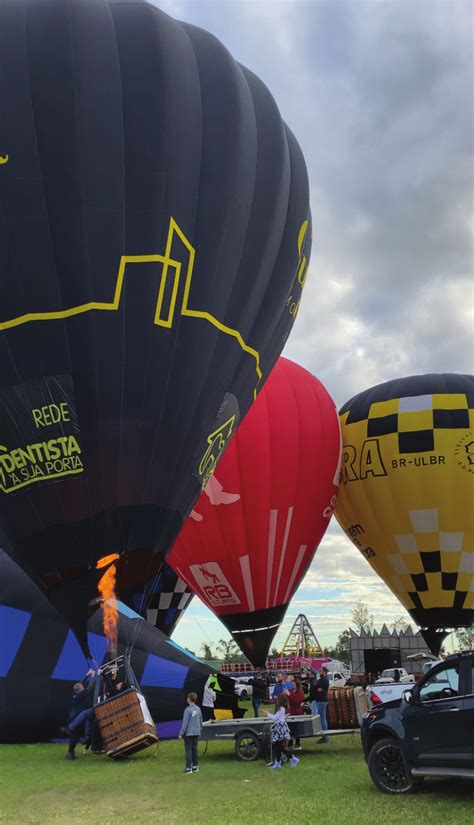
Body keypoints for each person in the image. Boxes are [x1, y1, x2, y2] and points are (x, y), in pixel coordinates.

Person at [60, 668, 96, 760]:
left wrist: (87, 674)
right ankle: (71, 753)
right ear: (81, 689)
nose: (83, 687)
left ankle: (70, 752)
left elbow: (80, 684)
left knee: (74, 735)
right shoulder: (82, 694)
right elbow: (90, 688)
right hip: (78, 717)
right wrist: (92, 676)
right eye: (82, 687)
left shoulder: (75, 693)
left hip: (72, 716)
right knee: (76, 736)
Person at [263, 694, 299, 769]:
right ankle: (278, 763)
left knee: (279, 746)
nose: (277, 701)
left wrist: (267, 714)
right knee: (278, 746)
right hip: (280, 728)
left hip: (280, 728)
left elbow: (275, 718)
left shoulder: (281, 709)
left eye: (278, 700)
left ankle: (292, 758)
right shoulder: (282, 709)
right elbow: (280, 717)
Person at [179, 692, 203, 774]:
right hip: (196, 732)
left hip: (189, 733)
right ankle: (195, 767)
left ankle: (188, 768)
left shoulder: (187, 710)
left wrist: (181, 733)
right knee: (194, 750)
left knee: (188, 750)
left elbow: (185, 723)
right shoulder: (198, 709)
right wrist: (200, 731)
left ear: (189, 699)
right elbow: (200, 721)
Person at [313, 666, 330, 744]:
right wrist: (317, 688)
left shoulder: (324, 680)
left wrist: (317, 687)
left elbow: (315, 686)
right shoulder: (321, 679)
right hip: (320, 700)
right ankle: (324, 736)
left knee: (322, 719)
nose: (319, 673)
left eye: (321, 671)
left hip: (322, 701)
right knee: (322, 719)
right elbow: (315, 687)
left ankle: (325, 737)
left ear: (324, 672)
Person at [288, 677, 305, 750]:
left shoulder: (300, 692)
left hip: (297, 712)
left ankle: (298, 744)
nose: (293, 685)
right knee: (289, 728)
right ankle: (290, 743)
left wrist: (289, 695)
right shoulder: (291, 690)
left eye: (294, 684)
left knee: (296, 729)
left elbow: (297, 702)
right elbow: (289, 700)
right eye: (292, 684)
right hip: (290, 712)